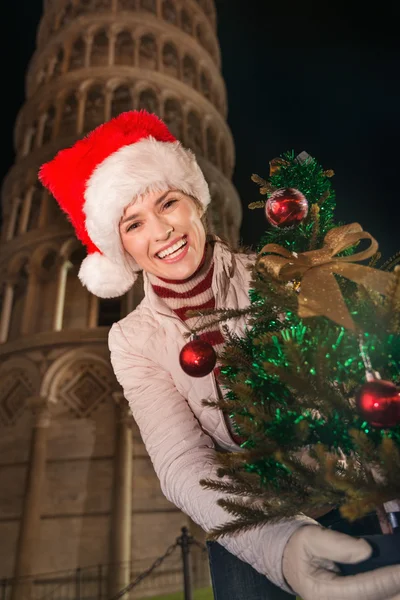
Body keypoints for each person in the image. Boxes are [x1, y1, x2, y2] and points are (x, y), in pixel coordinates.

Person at [39, 110, 400, 600]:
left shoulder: (280, 273)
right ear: (120, 247)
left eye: (168, 202)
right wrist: (280, 544)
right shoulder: (132, 339)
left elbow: (360, 379)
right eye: (134, 223)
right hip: (251, 518)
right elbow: (183, 462)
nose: (162, 231)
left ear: (196, 203)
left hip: (353, 493)